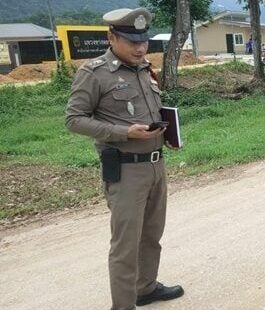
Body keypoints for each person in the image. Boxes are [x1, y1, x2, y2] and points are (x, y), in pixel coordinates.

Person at [65, 8, 184, 309]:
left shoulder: (145, 68)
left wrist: (166, 135)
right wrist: (124, 132)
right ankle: (123, 305)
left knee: (151, 236)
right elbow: (74, 120)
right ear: (111, 38)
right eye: (132, 41)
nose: (140, 47)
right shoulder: (94, 73)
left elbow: (151, 113)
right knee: (125, 246)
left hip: (156, 166)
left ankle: (145, 289)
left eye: (143, 40)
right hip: (126, 171)